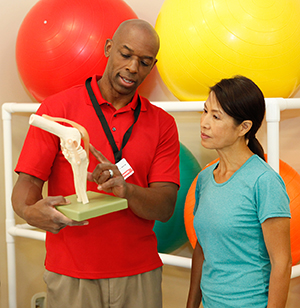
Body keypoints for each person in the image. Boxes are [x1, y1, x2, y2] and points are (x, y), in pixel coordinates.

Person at [12, 19, 180, 308]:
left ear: (152, 66)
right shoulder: (57, 110)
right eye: (125, 54)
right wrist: (30, 212)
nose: (132, 68)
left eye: (144, 61)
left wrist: (127, 190)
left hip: (139, 274)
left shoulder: (162, 124)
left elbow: (165, 207)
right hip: (70, 274)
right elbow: (25, 187)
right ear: (108, 48)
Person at [186, 76, 292, 308]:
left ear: (244, 127)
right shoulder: (204, 179)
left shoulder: (264, 181)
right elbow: (202, 249)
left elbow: (281, 263)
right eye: (205, 111)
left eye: (216, 116)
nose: (204, 122)